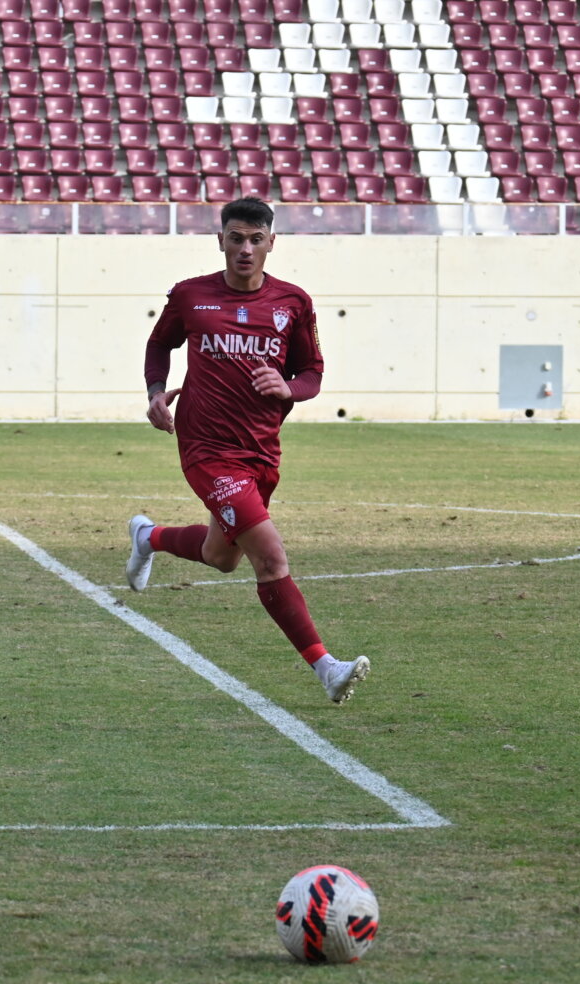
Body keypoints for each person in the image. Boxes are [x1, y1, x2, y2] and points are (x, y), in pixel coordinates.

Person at [124, 197, 371, 705]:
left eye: (256, 239)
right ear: (220, 240)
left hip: (261, 450)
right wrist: (155, 392)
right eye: (236, 238)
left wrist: (288, 388)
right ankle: (326, 667)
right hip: (207, 449)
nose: (245, 249)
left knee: (221, 557)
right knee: (271, 560)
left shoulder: (293, 303)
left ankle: (148, 537)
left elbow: (312, 373)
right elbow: (159, 344)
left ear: (271, 243)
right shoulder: (191, 295)